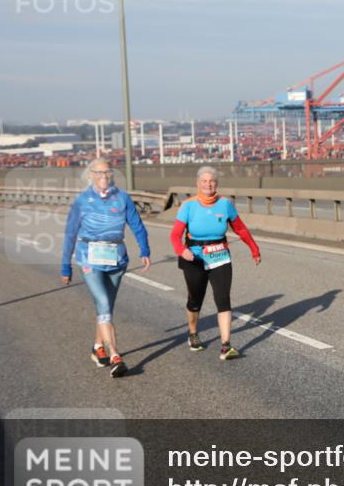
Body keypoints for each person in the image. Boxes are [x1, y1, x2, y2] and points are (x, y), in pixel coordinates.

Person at [61, 159, 151, 378]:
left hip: (117, 259)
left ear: (112, 174)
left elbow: (137, 224)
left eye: (107, 172)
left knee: (106, 307)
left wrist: (144, 250)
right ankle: (114, 355)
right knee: (102, 302)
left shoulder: (122, 198)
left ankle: (97, 346)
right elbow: (70, 233)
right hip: (89, 258)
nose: (104, 176)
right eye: (99, 172)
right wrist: (65, 266)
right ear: (91, 174)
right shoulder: (82, 200)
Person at [170, 166, 261, 360]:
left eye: (211, 181)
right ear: (197, 184)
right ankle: (193, 333)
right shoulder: (188, 205)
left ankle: (226, 345)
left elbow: (241, 229)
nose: (208, 184)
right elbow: (175, 235)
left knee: (223, 298)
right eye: (204, 181)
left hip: (220, 256)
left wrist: (254, 249)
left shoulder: (225, 204)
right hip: (194, 257)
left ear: (216, 184)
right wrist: (182, 251)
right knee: (195, 298)